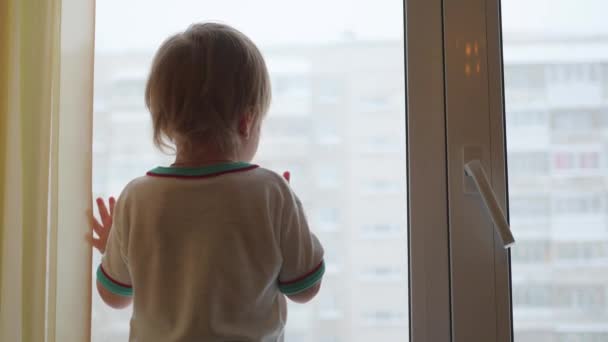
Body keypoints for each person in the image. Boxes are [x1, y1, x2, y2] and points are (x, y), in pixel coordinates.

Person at [89, 22, 324, 342]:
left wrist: (112, 248)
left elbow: (115, 296)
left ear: (166, 122)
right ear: (247, 121)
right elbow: (305, 288)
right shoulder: (272, 193)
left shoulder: (138, 197)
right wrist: (291, 218)